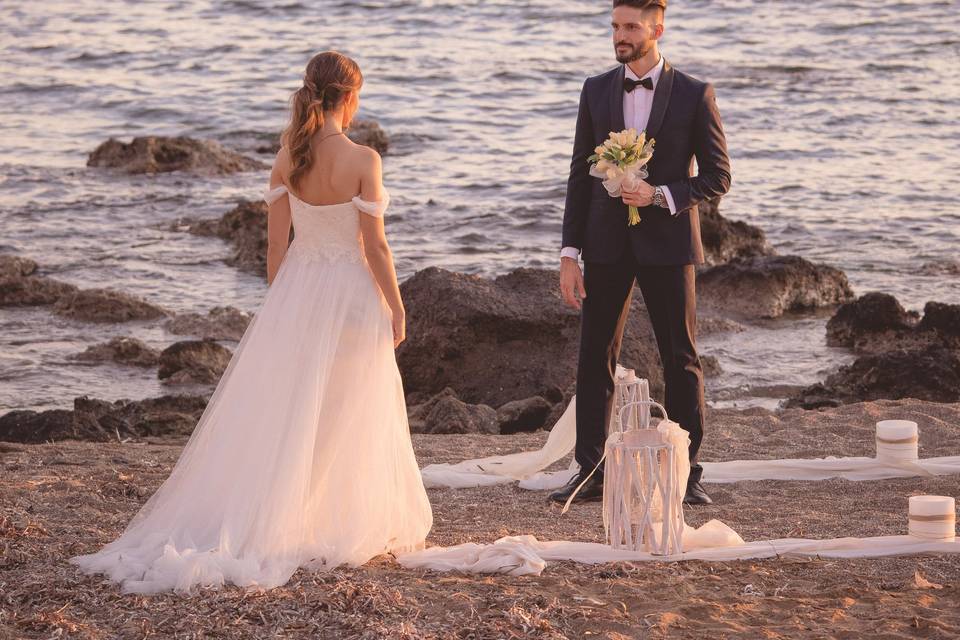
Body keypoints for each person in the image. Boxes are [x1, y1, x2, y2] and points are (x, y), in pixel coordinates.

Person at [71, 51, 433, 593]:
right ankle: (325, 519)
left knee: (293, 409)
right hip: (352, 294)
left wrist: (285, 302)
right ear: (351, 97)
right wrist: (397, 305)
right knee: (346, 406)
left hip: (300, 289)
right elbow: (375, 246)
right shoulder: (364, 160)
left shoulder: (290, 155)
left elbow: (274, 245)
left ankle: (286, 513)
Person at [550, 0, 731, 506]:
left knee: (681, 356)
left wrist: (661, 196)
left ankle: (686, 472)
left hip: (669, 244)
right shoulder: (596, 89)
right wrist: (569, 253)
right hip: (606, 243)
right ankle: (591, 471)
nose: (620, 36)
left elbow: (718, 176)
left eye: (631, 27)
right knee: (594, 356)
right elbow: (578, 175)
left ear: (657, 28)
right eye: (615, 26)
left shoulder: (695, 94)